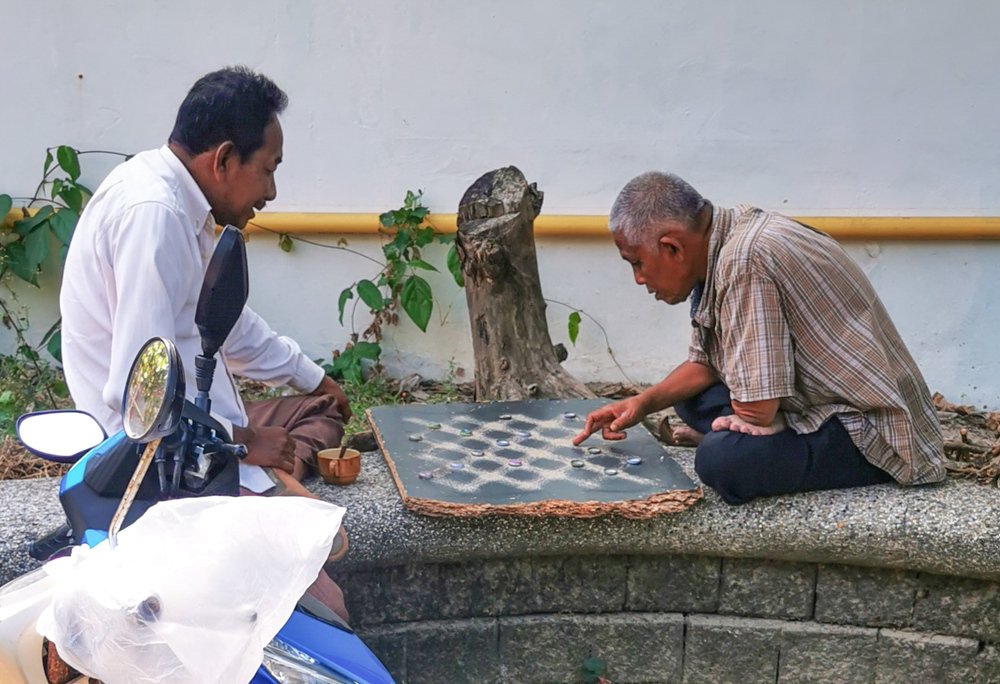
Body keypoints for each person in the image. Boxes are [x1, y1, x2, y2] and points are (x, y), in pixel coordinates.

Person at [60, 66, 351, 619]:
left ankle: (276, 472)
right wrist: (242, 444)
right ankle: (269, 482)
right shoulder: (156, 215)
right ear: (222, 160)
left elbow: (229, 323)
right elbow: (138, 397)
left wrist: (315, 378)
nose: (271, 191)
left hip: (203, 427)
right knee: (326, 595)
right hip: (156, 465)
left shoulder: (176, 202)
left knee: (316, 407)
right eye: (267, 170)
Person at [573, 171, 945, 505]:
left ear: (672, 247)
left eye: (636, 263)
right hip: (817, 400)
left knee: (721, 460)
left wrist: (755, 422)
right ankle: (768, 436)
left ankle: (770, 439)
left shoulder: (745, 261)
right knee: (692, 400)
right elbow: (706, 364)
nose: (639, 279)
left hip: (874, 435)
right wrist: (640, 404)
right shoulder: (726, 234)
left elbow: (758, 409)